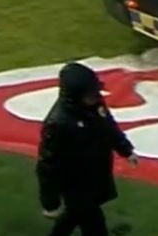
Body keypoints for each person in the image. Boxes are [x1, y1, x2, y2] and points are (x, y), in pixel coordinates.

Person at [37, 61, 138, 236]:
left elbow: (108, 127)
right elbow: (47, 166)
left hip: (96, 174)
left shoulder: (94, 104)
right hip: (75, 183)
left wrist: (125, 150)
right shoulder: (58, 124)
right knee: (91, 220)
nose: (96, 97)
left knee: (74, 214)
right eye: (90, 94)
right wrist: (50, 203)